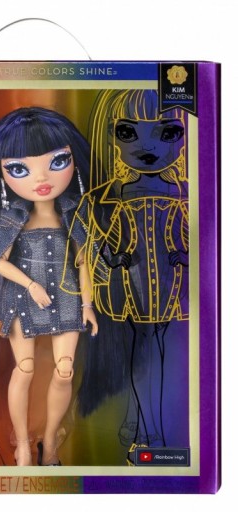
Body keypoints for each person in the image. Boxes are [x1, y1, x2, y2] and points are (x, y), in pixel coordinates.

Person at [0, 106, 98, 466]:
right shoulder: (12, 217)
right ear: (1, 172)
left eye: (58, 162)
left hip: (68, 296)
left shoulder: (74, 213)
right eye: (19, 169)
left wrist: (88, 305)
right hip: (22, 299)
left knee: (65, 370)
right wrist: (30, 285)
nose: (41, 177)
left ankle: (51, 441)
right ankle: (23, 443)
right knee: (24, 369)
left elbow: (84, 262)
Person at [68, 90, 189, 454]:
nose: (147, 146)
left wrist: (185, 255)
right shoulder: (104, 197)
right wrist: (111, 258)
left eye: (167, 133)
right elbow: (88, 246)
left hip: (171, 285)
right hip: (131, 285)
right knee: (147, 346)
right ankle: (151, 432)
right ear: (112, 136)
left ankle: (144, 424)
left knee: (154, 347)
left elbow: (202, 243)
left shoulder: (186, 193)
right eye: (128, 132)